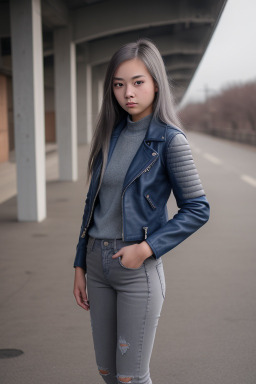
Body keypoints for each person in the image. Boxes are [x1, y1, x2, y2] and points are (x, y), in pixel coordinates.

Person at [73, 38, 210, 384]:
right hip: (96, 264)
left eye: (137, 82)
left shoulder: (169, 140)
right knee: (107, 372)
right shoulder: (110, 134)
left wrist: (146, 249)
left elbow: (197, 208)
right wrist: (79, 263)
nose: (127, 93)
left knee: (130, 377)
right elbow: (94, 205)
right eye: (119, 84)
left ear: (155, 83)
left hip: (136, 267)